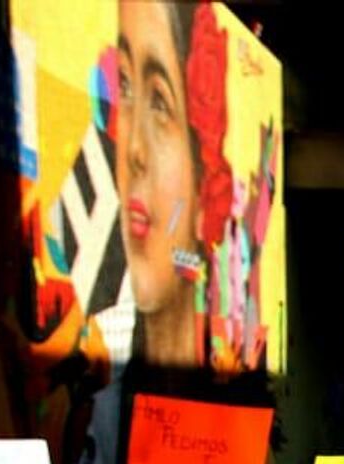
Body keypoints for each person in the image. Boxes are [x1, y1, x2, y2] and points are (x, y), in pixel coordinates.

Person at [116, 0, 230, 368]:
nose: (134, 148)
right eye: (124, 84)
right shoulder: (86, 400)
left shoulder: (233, 391)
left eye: (160, 103)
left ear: (205, 189)